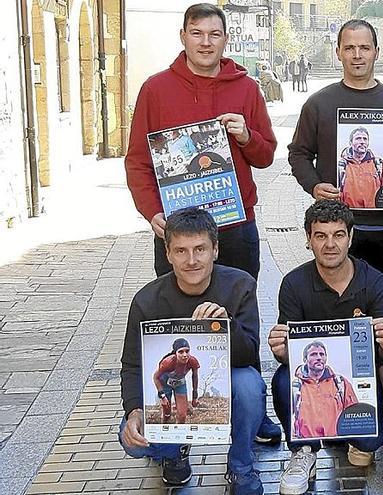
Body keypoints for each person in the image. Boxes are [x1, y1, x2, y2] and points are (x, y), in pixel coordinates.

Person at [125, 3, 282, 446]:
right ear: (184, 36)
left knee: (241, 317)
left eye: (215, 34)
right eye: (198, 34)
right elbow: (138, 160)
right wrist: (151, 212)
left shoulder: (246, 88)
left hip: (235, 226)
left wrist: (246, 135)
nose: (206, 42)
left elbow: (267, 154)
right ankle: (175, 423)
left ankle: (251, 409)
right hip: (180, 232)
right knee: (178, 324)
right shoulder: (156, 90)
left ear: (225, 39)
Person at [118, 208, 265, 494]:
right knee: (132, 441)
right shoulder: (146, 301)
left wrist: (226, 325)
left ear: (215, 250)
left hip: (228, 376)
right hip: (167, 381)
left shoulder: (240, 286)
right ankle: (173, 453)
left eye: (200, 249)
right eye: (181, 251)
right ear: (168, 254)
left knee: (249, 385)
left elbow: (250, 356)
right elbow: (133, 364)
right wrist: (135, 409)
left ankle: (241, 466)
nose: (192, 260)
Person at [266, 200, 383, 495]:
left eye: (338, 235)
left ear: (351, 238)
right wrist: (280, 349)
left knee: (368, 439)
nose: (330, 244)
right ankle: (304, 452)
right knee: (282, 379)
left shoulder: (374, 281)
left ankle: (351, 436)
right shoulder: (293, 284)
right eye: (320, 235)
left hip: (360, 381)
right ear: (308, 239)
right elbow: (288, 356)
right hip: (315, 383)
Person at [289, 19, 383, 282]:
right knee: (337, 302)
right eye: (349, 47)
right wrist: (314, 186)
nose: (357, 55)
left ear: (377, 51)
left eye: (364, 47)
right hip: (336, 228)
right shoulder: (318, 104)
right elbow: (298, 154)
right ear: (338, 52)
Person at [291, 340, 358, 438]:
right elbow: (290, 418)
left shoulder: (340, 383)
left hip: (338, 443)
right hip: (307, 444)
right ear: (305, 359)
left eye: (322, 354)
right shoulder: (296, 386)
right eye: (313, 354)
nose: (319, 358)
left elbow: (354, 413)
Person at [337, 126, 383, 208]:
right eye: (358, 139)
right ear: (350, 142)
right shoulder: (341, 166)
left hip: (374, 216)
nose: (362, 142)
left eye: (365, 139)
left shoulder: (379, 165)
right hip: (349, 215)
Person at [153, 338, 200, 424]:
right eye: (181, 352)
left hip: (180, 383)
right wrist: (162, 396)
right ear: (175, 353)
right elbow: (155, 377)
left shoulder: (193, 361)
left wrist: (195, 396)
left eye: (187, 351)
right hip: (165, 384)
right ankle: (164, 427)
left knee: (182, 415)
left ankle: (179, 432)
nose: (185, 355)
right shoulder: (167, 362)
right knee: (167, 413)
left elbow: (195, 377)